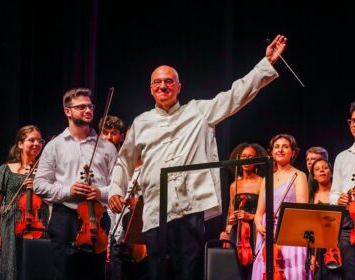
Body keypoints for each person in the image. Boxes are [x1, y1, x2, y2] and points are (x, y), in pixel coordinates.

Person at [108, 34, 287, 280]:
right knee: (157, 273)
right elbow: (124, 161)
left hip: (189, 210)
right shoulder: (141, 122)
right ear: (151, 89)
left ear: (178, 87)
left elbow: (236, 96)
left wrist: (265, 63)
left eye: (169, 81)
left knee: (189, 274)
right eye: (158, 82)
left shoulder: (198, 112)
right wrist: (116, 190)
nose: (163, 86)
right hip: (154, 211)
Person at [33, 88, 118, 279]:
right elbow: (39, 184)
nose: (88, 110)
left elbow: (119, 184)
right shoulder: (54, 146)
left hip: (97, 220)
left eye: (90, 106)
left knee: (95, 274)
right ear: (67, 111)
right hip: (65, 219)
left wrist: (101, 193)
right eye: (81, 107)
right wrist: (67, 191)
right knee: (63, 274)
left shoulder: (108, 147)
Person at [0, 125, 47, 279]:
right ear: (20, 144)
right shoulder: (6, 169)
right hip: (10, 225)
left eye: (40, 141)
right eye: (31, 140)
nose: (37, 144)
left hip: (37, 225)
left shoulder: (45, 171)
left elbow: (51, 199)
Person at [252, 133, 308, 279]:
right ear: (271, 151)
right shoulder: (266, 179)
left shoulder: (299, 175)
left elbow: (302, 210)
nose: (280, 150)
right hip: (267, 234)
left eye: (285, 146)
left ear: (293, 152)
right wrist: (259, 225)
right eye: (276, 147)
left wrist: (282, 231)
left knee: (290, 272)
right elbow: (259, 212)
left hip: (290, 233)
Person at [219, 143, 267, 280]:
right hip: (236, 231)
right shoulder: (234, 185)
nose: (246, 160)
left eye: (250, 157)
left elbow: (265, 211)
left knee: (252, 268)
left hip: (253, 230)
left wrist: (249, 216)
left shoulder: (262, 182)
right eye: (244, 156)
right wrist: (227, 231)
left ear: (256, 161)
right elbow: (230, 211)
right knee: (234, 269)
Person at [329, 101, 355, 280]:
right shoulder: (342, 157)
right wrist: (339, 199)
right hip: (348, 224)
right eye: (353, 121)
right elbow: (333, 193)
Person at [309, 158, 342, 279]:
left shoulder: (339, 196)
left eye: (325, 167)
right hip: (317, 246)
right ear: (314, 176)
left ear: (331, 172)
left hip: (338, 245)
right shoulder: (310, 198)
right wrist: (311, 255)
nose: (322, 170)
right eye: (317, 169)